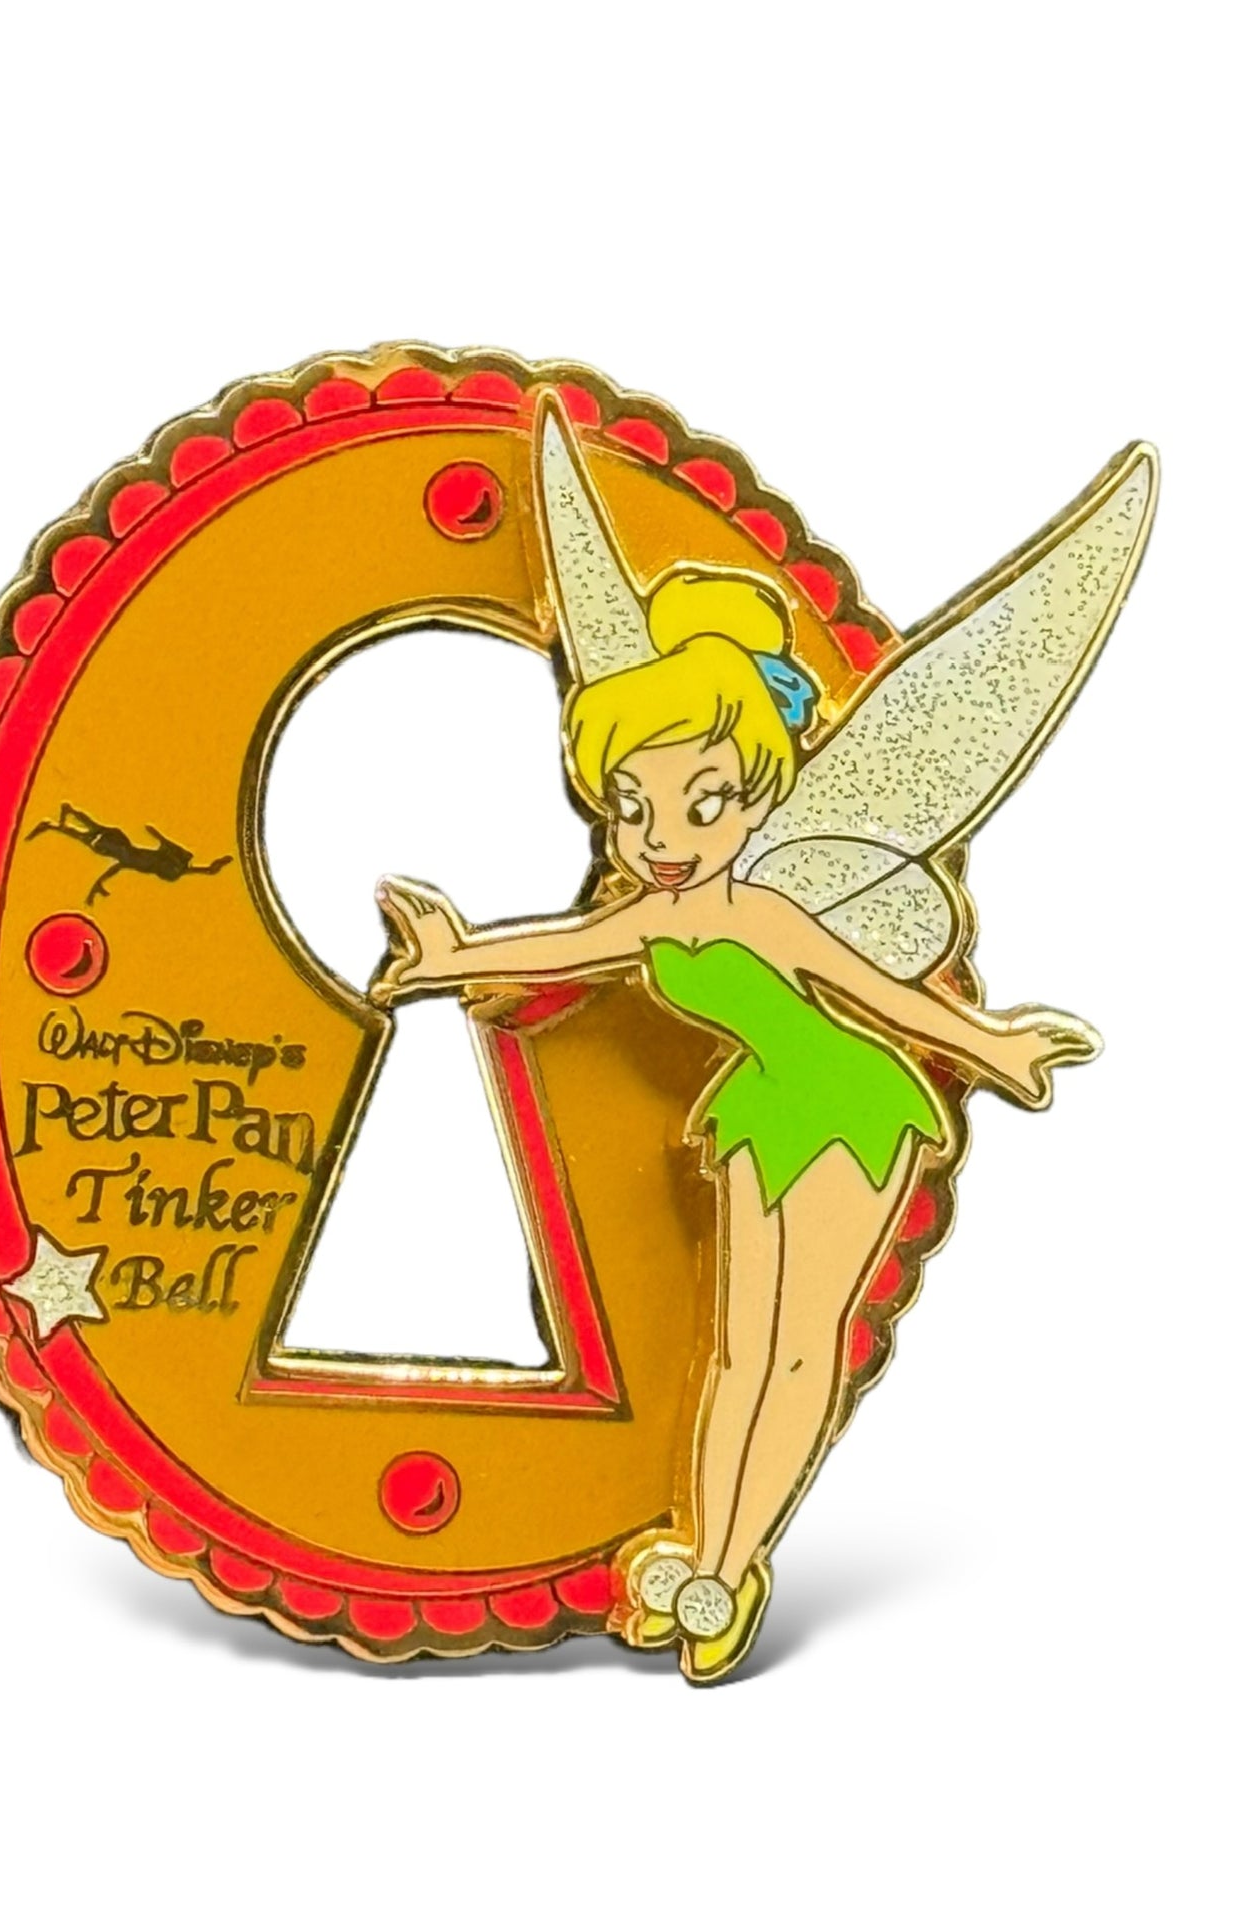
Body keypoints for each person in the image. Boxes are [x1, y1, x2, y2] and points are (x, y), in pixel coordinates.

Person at [376, 566, 1093, 1683]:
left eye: (702, 803)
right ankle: (704, 1551)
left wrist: (989, 1044)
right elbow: (558, 947)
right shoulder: (656, 915)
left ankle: (731, 1560)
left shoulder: (760, 911)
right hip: (763, 1106)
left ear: (757, 795)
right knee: (735, 1348)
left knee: (799, 1345)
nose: (662, 834)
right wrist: (449, 958)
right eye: (633, 805)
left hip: (849, 1105)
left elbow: (878, 993)